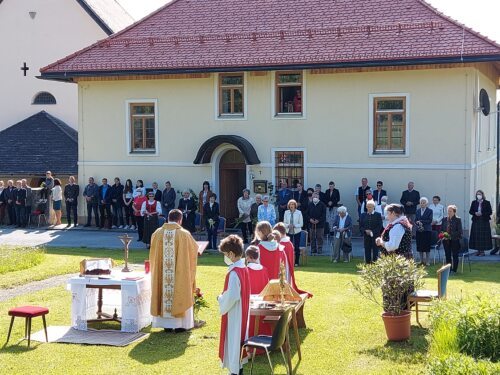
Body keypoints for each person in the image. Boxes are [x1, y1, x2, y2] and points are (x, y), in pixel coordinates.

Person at [150, 209, 199, 331]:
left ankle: (166, 325)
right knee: (181, 286)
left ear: (168, 218)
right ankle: (180, 325)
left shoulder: (157, 233)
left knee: (164, 287)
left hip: (162, 273)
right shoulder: (184, 234)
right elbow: (194, 250)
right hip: (179, 272)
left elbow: (153, 253)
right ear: (180, 220)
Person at [218, 234, 250, 375]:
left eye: (225, 254)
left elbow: (232, 296)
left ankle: (235, 372)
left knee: (234, 342)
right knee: (238, 342)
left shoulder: (234, 273)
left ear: (231, 254)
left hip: (235, 313)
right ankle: (238, 368)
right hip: (242, 311)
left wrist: (220, 299)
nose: (225, 257)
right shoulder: (243, 268)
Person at [245, 245, 272, 337]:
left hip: (249, 303)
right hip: (262, 303)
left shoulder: (246, 270)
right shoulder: (264, 270)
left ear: (248, 257)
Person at [468, 190, 492, 256]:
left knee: (483, 237)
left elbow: (490, 212)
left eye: (480, 194)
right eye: (477, 194)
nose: (478, 195)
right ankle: (478, 251)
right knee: (476, 236)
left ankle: (482, 251)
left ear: (482, 195)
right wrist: (475, 213)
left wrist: (482, 213)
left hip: (484, 221)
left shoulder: (487, 202)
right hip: (476, 220)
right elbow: (470, 211)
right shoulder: (474, 202)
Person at [441, 205, 463, 273]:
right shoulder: (444, 219)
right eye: (448, 211)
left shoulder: (458, 219)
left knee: (454, 255)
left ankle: (454, 270)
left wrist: (450, 235)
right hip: (446, 240)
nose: (449, 212)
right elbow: (442, 229)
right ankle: (448, 269)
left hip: (454, 240)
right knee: (447, 255)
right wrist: (444, 235)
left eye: (450, 211)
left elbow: (459, 231)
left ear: (454, 212)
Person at [283, 200, 303, 266]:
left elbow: (301, 224)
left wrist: (294, 225)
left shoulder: (299, 212)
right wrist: (288, 225)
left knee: (296, 247)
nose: (291, 206)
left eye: (293, 204)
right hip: (288, 232)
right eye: (290, 204)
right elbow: (284, 223)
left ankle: (296, 262)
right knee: (289, 247)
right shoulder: (286, 212)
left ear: (295, 205)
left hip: (297, 232)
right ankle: (289, 262)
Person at [415, 197, 433, 265]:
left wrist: (421, 221)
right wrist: (417, 222)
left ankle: (427, 261)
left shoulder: (430, 211)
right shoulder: (417, 211)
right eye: (421, 203)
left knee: (426, 246)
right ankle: (421, 260)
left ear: (426, 203)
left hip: (427, 230)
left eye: (423, 203)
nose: (422, 204)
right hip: (419, 230)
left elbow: (430, 220)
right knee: (420, 246)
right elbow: (415, 220)